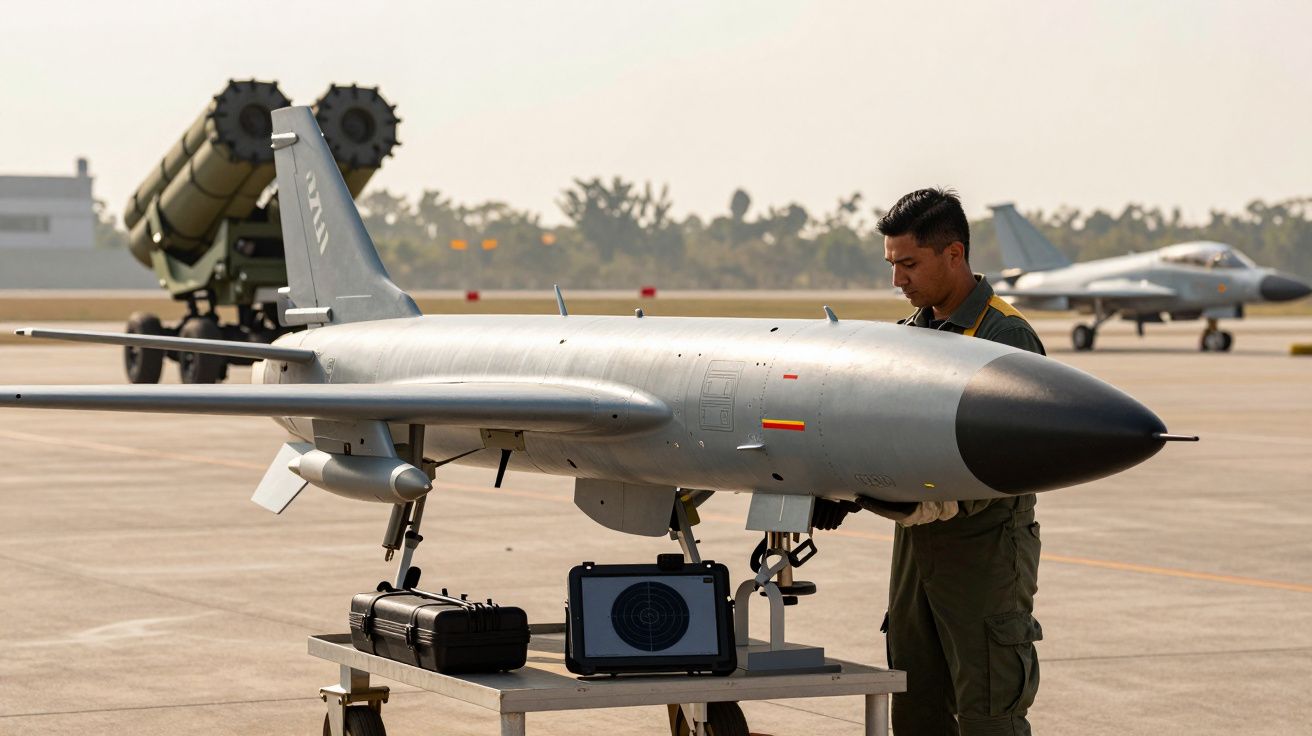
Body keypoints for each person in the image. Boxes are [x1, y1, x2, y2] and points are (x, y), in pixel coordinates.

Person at [813, 188, 1045, 735]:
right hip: (916, 552)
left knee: (990, 713)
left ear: (955, 255)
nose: (898, 280)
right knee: (915, 709)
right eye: (893, 265)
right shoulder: (910, 337)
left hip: (984, 554)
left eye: (910, 264)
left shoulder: (1004, 337)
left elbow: (1015, 456)